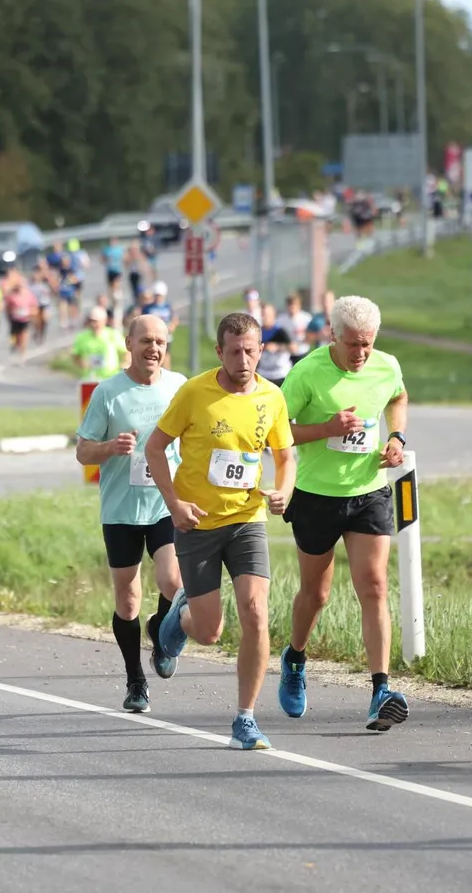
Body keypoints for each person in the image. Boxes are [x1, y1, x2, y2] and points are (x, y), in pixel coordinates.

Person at [147, 312, 296, 750]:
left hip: (247, 519)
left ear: (262, 350)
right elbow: (156, 448)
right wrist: (174, 504)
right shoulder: (195, 393)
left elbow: (286, 456)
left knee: (255, 611)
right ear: (219, 352)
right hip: (197, 524)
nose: (244, 359)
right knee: (210, 631)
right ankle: (177, 619)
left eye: (251, 350)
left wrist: (284, 491)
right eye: (234, 351)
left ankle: (245, 719)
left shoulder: (272, 397)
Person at [276, 295, 413, 731]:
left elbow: (399, 395)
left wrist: (397, 438)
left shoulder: (385, 365)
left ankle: (380, 691)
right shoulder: (307, 373)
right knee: (315, 594)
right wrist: (326, 429)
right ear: (333, 335)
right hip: (316, 495)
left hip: (368, 492)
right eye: (352, 344)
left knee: (373, 585)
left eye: (367, 344)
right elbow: (276, 433)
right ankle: (295, 658)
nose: (360, 354)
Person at [75, 315, 187, 713]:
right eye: (145, 341)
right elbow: (82, 451)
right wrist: (109, 448)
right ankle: (135, 680)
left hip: (165, 502)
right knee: (127, 600)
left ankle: (161, 630)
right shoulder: (108, 392)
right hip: (121, 508)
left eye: (160, 341)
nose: (153, 348)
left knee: (172, 580)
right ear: (129, 343)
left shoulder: (180, 387)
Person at [72, 306, 127, 381]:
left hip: (110, 378)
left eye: (96, 321)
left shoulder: (112, 334)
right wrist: (81, 363)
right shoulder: (82, 336)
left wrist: (125, 363)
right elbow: (75, 355)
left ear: (104, 321)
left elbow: (127, 350)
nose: (93, 324)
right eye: (91, 321)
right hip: (89, 379)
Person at [140, 280, 178, 369]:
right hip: (151, 335)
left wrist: (172, 326)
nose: (158, 297)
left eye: (160, 295)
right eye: (157, 295)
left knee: (166, 355)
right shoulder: (147, 307)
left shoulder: (168, 307)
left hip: (166, 336)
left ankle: (167, 372)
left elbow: (174, 319)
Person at [256, 304, 292, 387]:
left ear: (273, 315)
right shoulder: (258, 332)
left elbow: (293, 348)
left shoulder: (280, 331)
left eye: (266, 314)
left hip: (281, 374)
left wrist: (278, 347)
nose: (263, 317)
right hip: (263, 374)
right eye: (262, 314)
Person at [4, 275, 38, 361]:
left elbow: (34, 307)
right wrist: (10, 314)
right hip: (15, 319)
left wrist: (30, 313)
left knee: (24, 335)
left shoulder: (29, 295)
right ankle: (15, 347)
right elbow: (7, 307)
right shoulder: (11, 295)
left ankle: (23, 354)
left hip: (25, 319)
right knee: (16, 337)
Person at [278, 293, 313, 365]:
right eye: (290, 305)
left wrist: (301, 342)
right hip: (286, 355)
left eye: (294, 306)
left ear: (299, 306)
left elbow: (311, 336)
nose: (292, 308)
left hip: (303, 353)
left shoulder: (307, 318)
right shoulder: (280, 320)